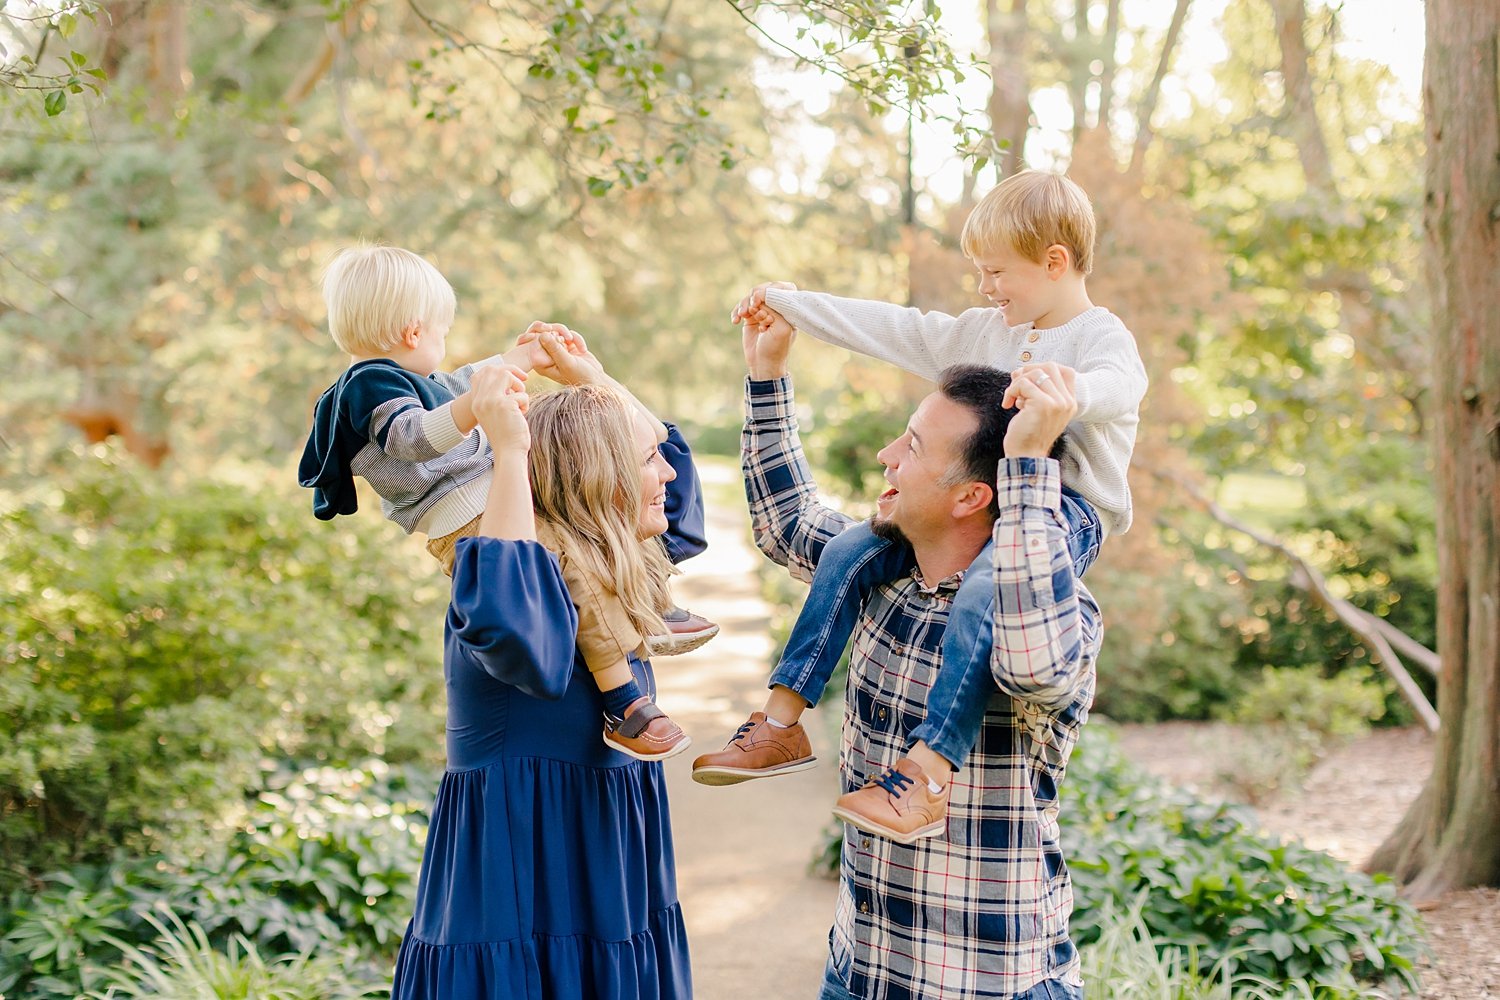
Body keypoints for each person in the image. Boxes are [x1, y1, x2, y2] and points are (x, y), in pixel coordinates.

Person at [693, 171, 1140, 830]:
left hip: (1065, 513)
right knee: (850, 547)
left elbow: (1122, 387)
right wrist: (796, 306)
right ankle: (782, 721)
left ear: (1055, 262)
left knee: (988, 587)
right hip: (988, 504)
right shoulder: (986, 332)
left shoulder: (1099, 338)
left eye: (996, 272)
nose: (986, 288)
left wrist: (1068, 395)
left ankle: (929, 773)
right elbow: (894, 328)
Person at [706, 304, 1100, 998]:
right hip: (862, 972)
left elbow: (1035, 663)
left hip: (985, 984)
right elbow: (786, 524)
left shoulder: (1046, 614)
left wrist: (1031, 464)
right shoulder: (882, 579)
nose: (888, 455)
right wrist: (766, 374)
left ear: (973, 495)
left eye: (913, 447)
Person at [297, 244, 713, 758]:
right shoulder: (368, 385)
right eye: (441, 332)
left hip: (486, 506)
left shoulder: (415, 381)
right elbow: (412, 438)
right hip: (468, 522)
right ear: (413, 332)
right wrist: (478, 407)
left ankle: (647, 606)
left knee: (589, 534)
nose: (445, 346)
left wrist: (525, 359)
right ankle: (625, 703)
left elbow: (469, 378)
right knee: (572, 563)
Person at [389, 351, 702, 999]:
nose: (669, 471)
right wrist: (509, 454)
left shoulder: (622, 573)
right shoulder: (528, 586)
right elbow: (512, 629)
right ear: (602, 476)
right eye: (648, 461)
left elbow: (680, 497)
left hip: (609, 863)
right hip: (522, 868)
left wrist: (596, 380)